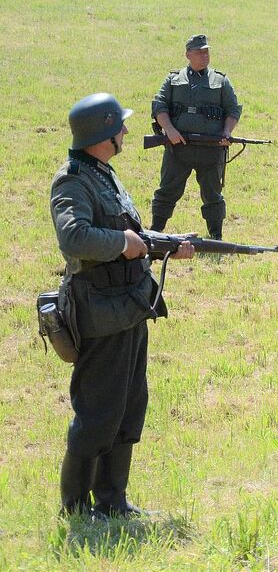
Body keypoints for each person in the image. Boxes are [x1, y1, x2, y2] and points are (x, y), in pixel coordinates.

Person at [51, 93, 194, 517]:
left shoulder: (102, 173)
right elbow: (74, 237)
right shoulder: (72, 181)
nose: (126, 132)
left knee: (130, 406)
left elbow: (129, 233)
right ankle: (76, 510)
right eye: (119, 126)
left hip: (129, 306)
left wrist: (162, 245)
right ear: (102, 134)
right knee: (98, 413)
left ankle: (112, 502)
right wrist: (124, 244)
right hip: (99, 312)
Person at [149, 34, 242, 239]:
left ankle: (216, 235)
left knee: (212, 194)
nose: (204, 55)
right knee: (167, 190)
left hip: (211, 150)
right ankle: (154, 231)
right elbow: (159, 106)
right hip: (178, 148)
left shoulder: (221, 81)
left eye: (206, 51)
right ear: (188, 55)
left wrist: (227, 132)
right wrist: (170, 130)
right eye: (199, 51)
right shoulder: (173, 80)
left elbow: (233, 110)